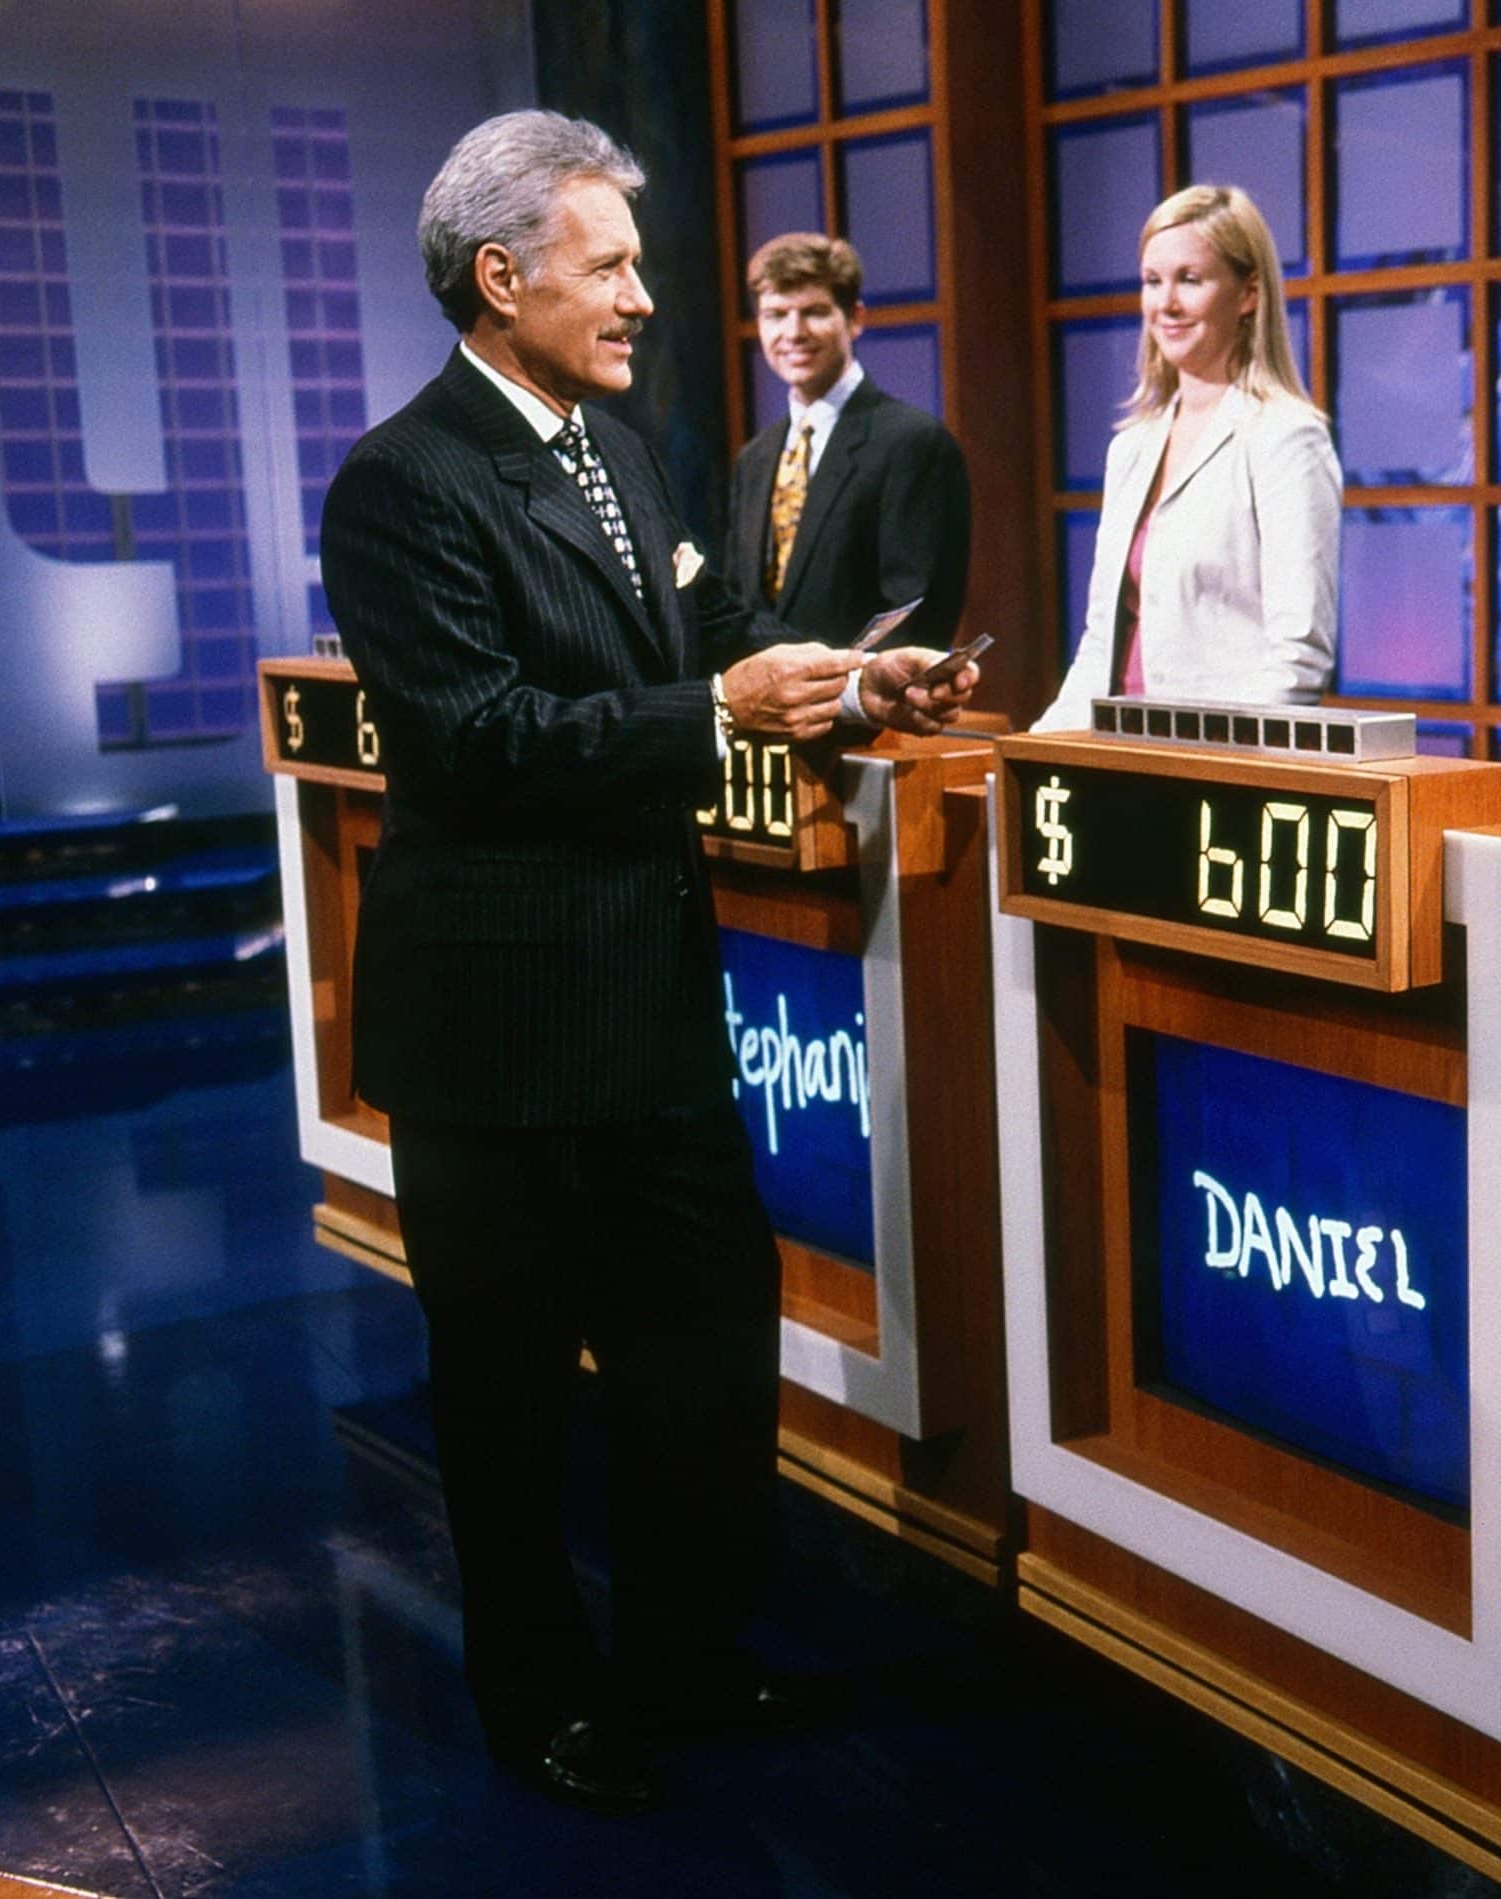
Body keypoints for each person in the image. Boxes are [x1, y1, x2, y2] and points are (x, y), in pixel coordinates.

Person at [318, 110, 976, 1816]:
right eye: (610, 265)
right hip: (501, 1029)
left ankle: (684, 1653)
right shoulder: (399, 483)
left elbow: (708, 634)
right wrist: (711, 711)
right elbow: (476, 741)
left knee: (702, 1351)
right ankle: (539, 1695)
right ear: (501, 275)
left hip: (653, 1010)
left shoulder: (627, 450)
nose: (644, 300)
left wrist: (835, 676)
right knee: (512, 1396)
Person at [1033, 183, 1339, 730]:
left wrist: (1210, 758)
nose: (1165, 303)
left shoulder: (1285, 437)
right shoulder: (1131, 446)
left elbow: (1300, 655)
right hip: (1118, 751)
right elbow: (1102, 639)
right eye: (1153, 282)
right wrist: (1031, 757)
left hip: (1214, 770)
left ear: (1248, 294)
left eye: (1189, 280)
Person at [728, 232, 971, 648]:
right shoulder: (754, 459)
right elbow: (737, 610)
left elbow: (915, 622)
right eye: (776, 314)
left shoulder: (914, 444)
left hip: (865, 709)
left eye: (814, 312)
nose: (794, 332)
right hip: (765, 710)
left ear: (855, 318)